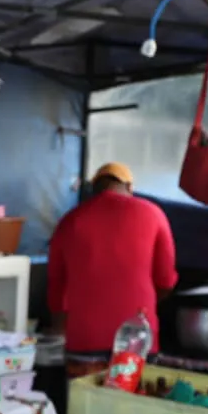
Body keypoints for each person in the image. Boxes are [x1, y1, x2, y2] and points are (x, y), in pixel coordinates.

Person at [46, 162, 178, 378]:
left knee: (85, 409)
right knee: (134, 409)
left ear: (94, 189)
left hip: (84, 340)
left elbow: (56, 290)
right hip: (138, 340)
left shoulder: (69, 222)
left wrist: (61, 332)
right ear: (129, 187)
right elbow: (166, 281)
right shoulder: (154, 214)